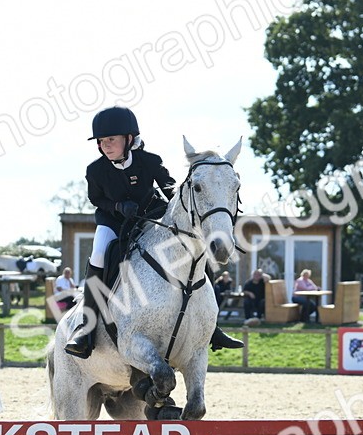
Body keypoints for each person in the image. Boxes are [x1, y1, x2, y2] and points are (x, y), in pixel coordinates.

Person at [65, 106, 242, 358]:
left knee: (195, 251)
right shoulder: (95, 170)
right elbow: (96, 200)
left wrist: (182, 206)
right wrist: (117, 206)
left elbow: (170, 188)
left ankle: (213, 327)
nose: (105, 145)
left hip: (151, 219)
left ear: (128, 139)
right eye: (102, 141)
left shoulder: (150, 161)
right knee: (99, 255)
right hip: (113, 222)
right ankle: (87, 328)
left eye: (111, 140)